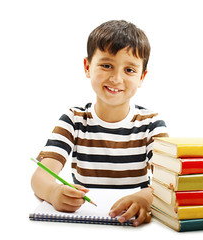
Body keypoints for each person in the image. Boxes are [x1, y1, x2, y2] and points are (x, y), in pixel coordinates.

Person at [31, 20, 168, 227]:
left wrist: (145, 199)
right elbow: (39, 177)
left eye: (129, 70)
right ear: (87, 67)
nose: (116, 78)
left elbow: (169, 183)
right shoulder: (73, 120)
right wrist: (54, 192)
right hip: (84, 223)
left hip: (135, 227)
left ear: (142, 77)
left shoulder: (151, 125)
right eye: (106, 65)